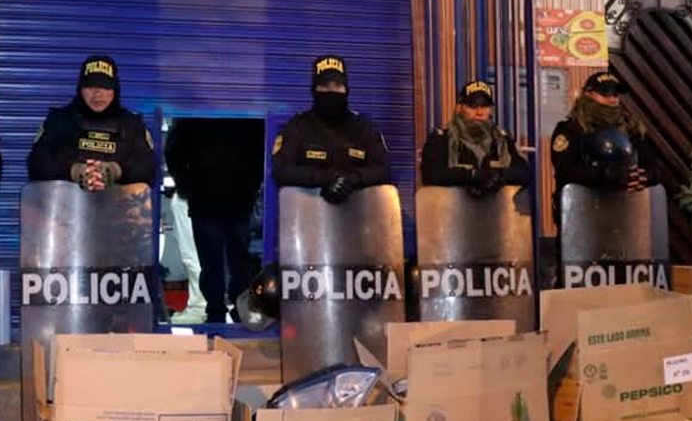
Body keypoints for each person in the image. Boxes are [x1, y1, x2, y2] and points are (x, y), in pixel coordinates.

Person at [165, 118, 265, 325]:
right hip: (205, 201)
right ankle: (216, 312)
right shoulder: (192, 115)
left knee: (239, 262)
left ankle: (238, 311)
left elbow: (261, 150)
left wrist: (252, 185)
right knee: (212, 263)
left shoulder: (249, 115)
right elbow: (173, 151)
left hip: (239, 200)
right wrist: (186, 186)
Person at [271, 55, 391, 203]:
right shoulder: (297, 126)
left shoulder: (364, 127)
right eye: (325, 86)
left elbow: (383, 170)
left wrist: (353, 179)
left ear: (346, 89)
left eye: (337, 86)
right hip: (306, 213)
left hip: (358, 214)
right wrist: (324, 178)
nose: (331, 91)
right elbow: (281, 170)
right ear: (314, 89)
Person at [27, 55, 156, 189]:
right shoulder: (59, 120)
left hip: (120, 202)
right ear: (80, 89)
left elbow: (148, 168)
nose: (97, 94)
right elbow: (37, 163)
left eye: (105, 87)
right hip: (65, 201)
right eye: (90, 86)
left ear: (115, 90)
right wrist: (73, 171)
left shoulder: (132, 125)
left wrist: (116, 171)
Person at [550, 70, 656, 222]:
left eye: (615, 94)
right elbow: (565, 170)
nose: (612, 99)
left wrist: (645, 177)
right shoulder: (571, 128)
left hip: (625, 213)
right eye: (605, 93)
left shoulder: (631, 127)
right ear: (588, 94)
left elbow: (652, 165)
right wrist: (604, 175)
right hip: (580, 214)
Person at [420, 80, 530, 196]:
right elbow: (431, 174)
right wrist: (471, 176)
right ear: (459, 108)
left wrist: (498, 176)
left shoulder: (502, 141)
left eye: (484, 106)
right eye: (473, 106)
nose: (479, 112)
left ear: (491, 110)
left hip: (496, 206)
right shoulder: (441, 139)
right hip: (452, 206)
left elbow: (524, 173)